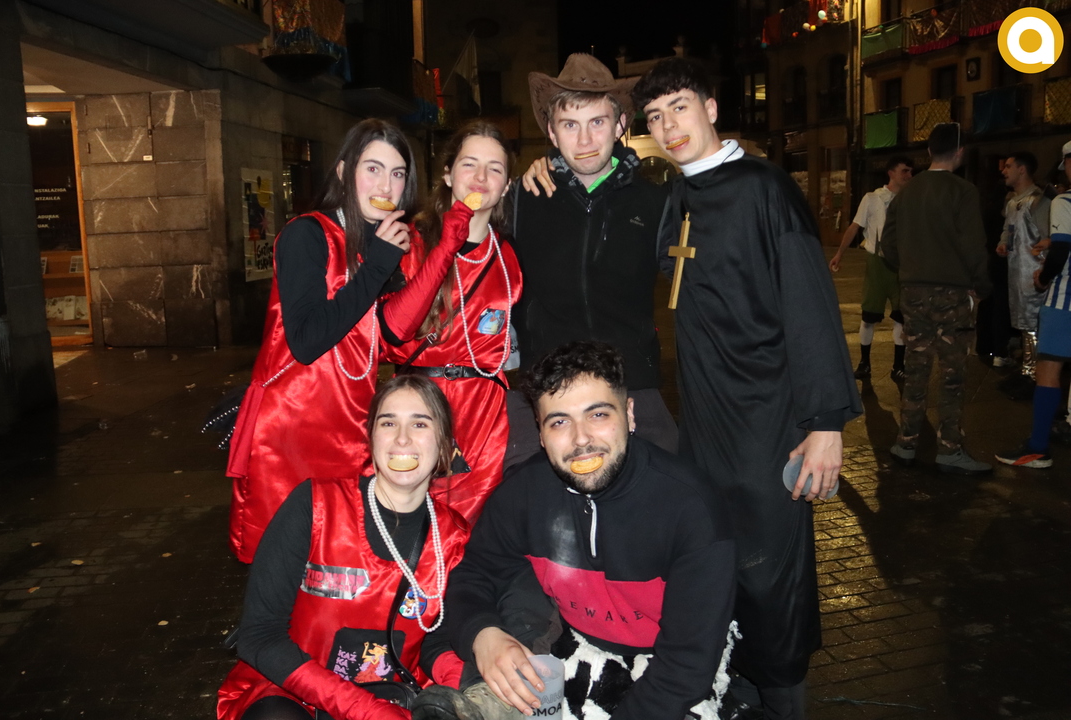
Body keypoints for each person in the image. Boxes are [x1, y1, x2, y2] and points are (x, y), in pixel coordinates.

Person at [633, 57, 861, 718]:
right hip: (706, 425)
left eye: (680, 107)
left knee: (773, 578)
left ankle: (785, 704)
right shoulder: (678, 195)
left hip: (768, 422)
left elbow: (810, 305)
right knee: (716, 568)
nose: (669, 126)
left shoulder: (766, 188)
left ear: (710, 107)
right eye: (655, 117)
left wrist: (825, 424)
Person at [410, 341, 737, 720]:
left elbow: (686, 664)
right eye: (559, 422)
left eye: (597, 414)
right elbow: (474, 575)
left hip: (665, 666)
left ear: (630, 414)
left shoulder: (691, 507)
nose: (581, 439)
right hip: (569, 642)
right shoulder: (523, 492)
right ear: (540, 433)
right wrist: (484, 636)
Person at [227, 119, 471, 564]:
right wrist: (378, 266)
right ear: (343, 172)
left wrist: (432, 256)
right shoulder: (307, 233)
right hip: (293, 428)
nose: (385, 186)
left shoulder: (374, 244)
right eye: (372, 169)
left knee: (340, 556)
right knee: (288, 559)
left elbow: (394, 335)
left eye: (397, 174)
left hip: (351, 423)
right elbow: (306, 340)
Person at [217, 375, 471, 720]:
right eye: (388, 422)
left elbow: (435, 641)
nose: (402, 438)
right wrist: (366, 711)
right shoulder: (315, 505)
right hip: (292, 693)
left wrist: (468, 689)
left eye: (420, 423)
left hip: (393, 697)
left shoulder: (452, 537)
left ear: (444, 445)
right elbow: (259, 636)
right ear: (371, 438)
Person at [502, 54, 676, 471]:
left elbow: (701, 286)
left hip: (631, 383)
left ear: (620, 125)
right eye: (569, 125)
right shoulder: (521, 198)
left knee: (668, 482)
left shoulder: (655, 203)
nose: (584, 140)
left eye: (597, 122)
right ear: (551, 131)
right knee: (522, 493)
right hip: (543, 387)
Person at [381, 121, 524, 525]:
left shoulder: (509, 256)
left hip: (486, 417)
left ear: (506, 185)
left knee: (476, 528)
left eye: (494, 168)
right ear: (447, 174)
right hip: (420, 405)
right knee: (412, 522)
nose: (481, 177)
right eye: (469, 164)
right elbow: (389, 339)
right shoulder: (410, 241)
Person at [882, 123, 992, 474]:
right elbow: (974, 245)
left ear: (929, 152)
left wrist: (911, 268)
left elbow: (888, 244)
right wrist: (981, 286)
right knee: (951, 374)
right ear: (960, 153)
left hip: (913, 291)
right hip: (952, 293)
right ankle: (949, 449)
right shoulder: (963, 191)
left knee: (915, 367)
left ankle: (906, 443)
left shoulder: (906, 193)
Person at [996, 140, 1071, 469]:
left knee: (1048, 370)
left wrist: (1043, 278)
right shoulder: (1016, 200)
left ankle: (1038, 448)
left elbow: (1060, 249)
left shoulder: (1062, 201)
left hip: (1064, 298)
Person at [829, 155, 914, 381]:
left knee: (901, 317)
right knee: (868, 315)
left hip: (901, 264)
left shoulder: (910, 199)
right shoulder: (872, 198)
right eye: (905, 171)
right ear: (891, 173)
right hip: (877, 263)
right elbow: (854, 226)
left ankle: (898, 365)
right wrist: (839, 254)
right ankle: (864, 363)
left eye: (910, 171)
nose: (909, 175)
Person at [997, 151, 1051, 379]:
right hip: (1017, 274)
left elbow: (1050, 237)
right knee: (1024, 324)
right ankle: (1028, 370)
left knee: (1033, 324)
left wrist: (1045, 268)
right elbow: (1008, 229)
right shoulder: (1013, 202)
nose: (1004, 171)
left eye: (1008, 166)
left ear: (1022, 170)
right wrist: (1003, 243)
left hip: (1034, 276)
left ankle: (1034, 373)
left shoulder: (1038, 201)